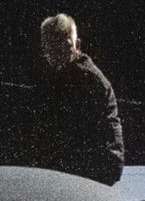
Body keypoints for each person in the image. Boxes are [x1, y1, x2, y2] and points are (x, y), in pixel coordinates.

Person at [25, 13, 126, 184]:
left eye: (58, 47)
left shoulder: (89, 82)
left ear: (74, 45)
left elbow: (107, 155)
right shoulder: (60, 80)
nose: (52, 55)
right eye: (48, 48)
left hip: (83, 180)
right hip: (74, 178)